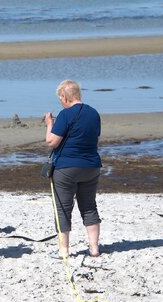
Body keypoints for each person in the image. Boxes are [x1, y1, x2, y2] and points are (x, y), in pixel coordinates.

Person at [44, 79, 102, 259]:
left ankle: (64, 251)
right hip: (91, 165)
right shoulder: (94, 113)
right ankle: (94, 248)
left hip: (66, 167)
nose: (60, 102)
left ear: (64, 97)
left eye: (60, 98)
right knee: (89, 206)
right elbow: (94, 137)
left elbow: (51, 142)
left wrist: (49, 124)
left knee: (63, 208)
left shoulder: (65, 114)